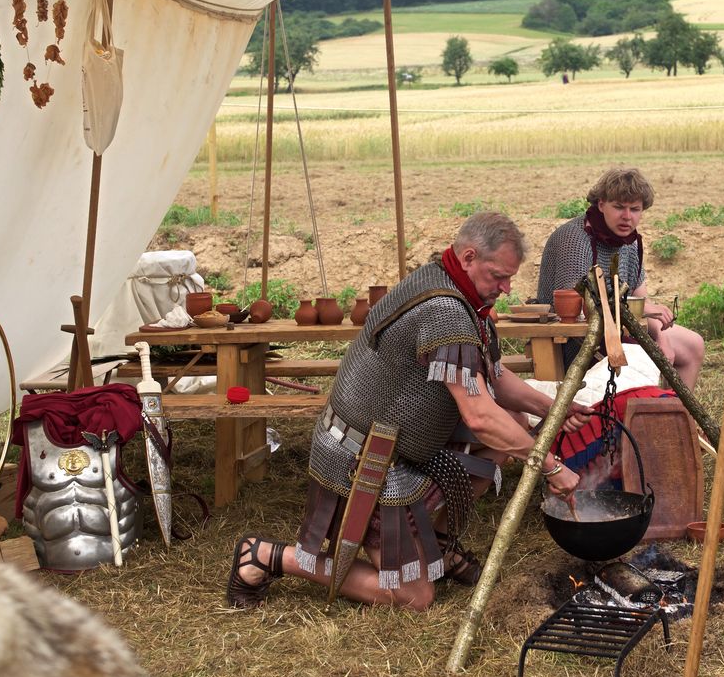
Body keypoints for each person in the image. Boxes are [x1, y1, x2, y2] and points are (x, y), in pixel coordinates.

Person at [226, 212, 591, 612]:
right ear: (468, 256)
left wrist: (554, 407)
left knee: (515, 427)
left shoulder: (457, 289)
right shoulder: (445, 309)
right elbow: (480, 416)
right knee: (415, 597)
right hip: (363, 457)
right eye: (498, 276)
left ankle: (440, 549)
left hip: (404, 440)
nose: (505, 288)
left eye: (509, 278)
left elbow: (493, 377)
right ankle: (264, 556)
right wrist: (551, 466)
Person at [536, 167, 704, 389]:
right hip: (575, 340)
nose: (627, 216)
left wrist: (662, 340)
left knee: (693, 345)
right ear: (601, 204)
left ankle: (675, 419)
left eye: (635, 209)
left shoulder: (630, 243)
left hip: (619, 328)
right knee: (635, 357)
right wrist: (641, 310)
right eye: (619, 207)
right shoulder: (575, 239)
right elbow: (575, 308)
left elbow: (640, 299)